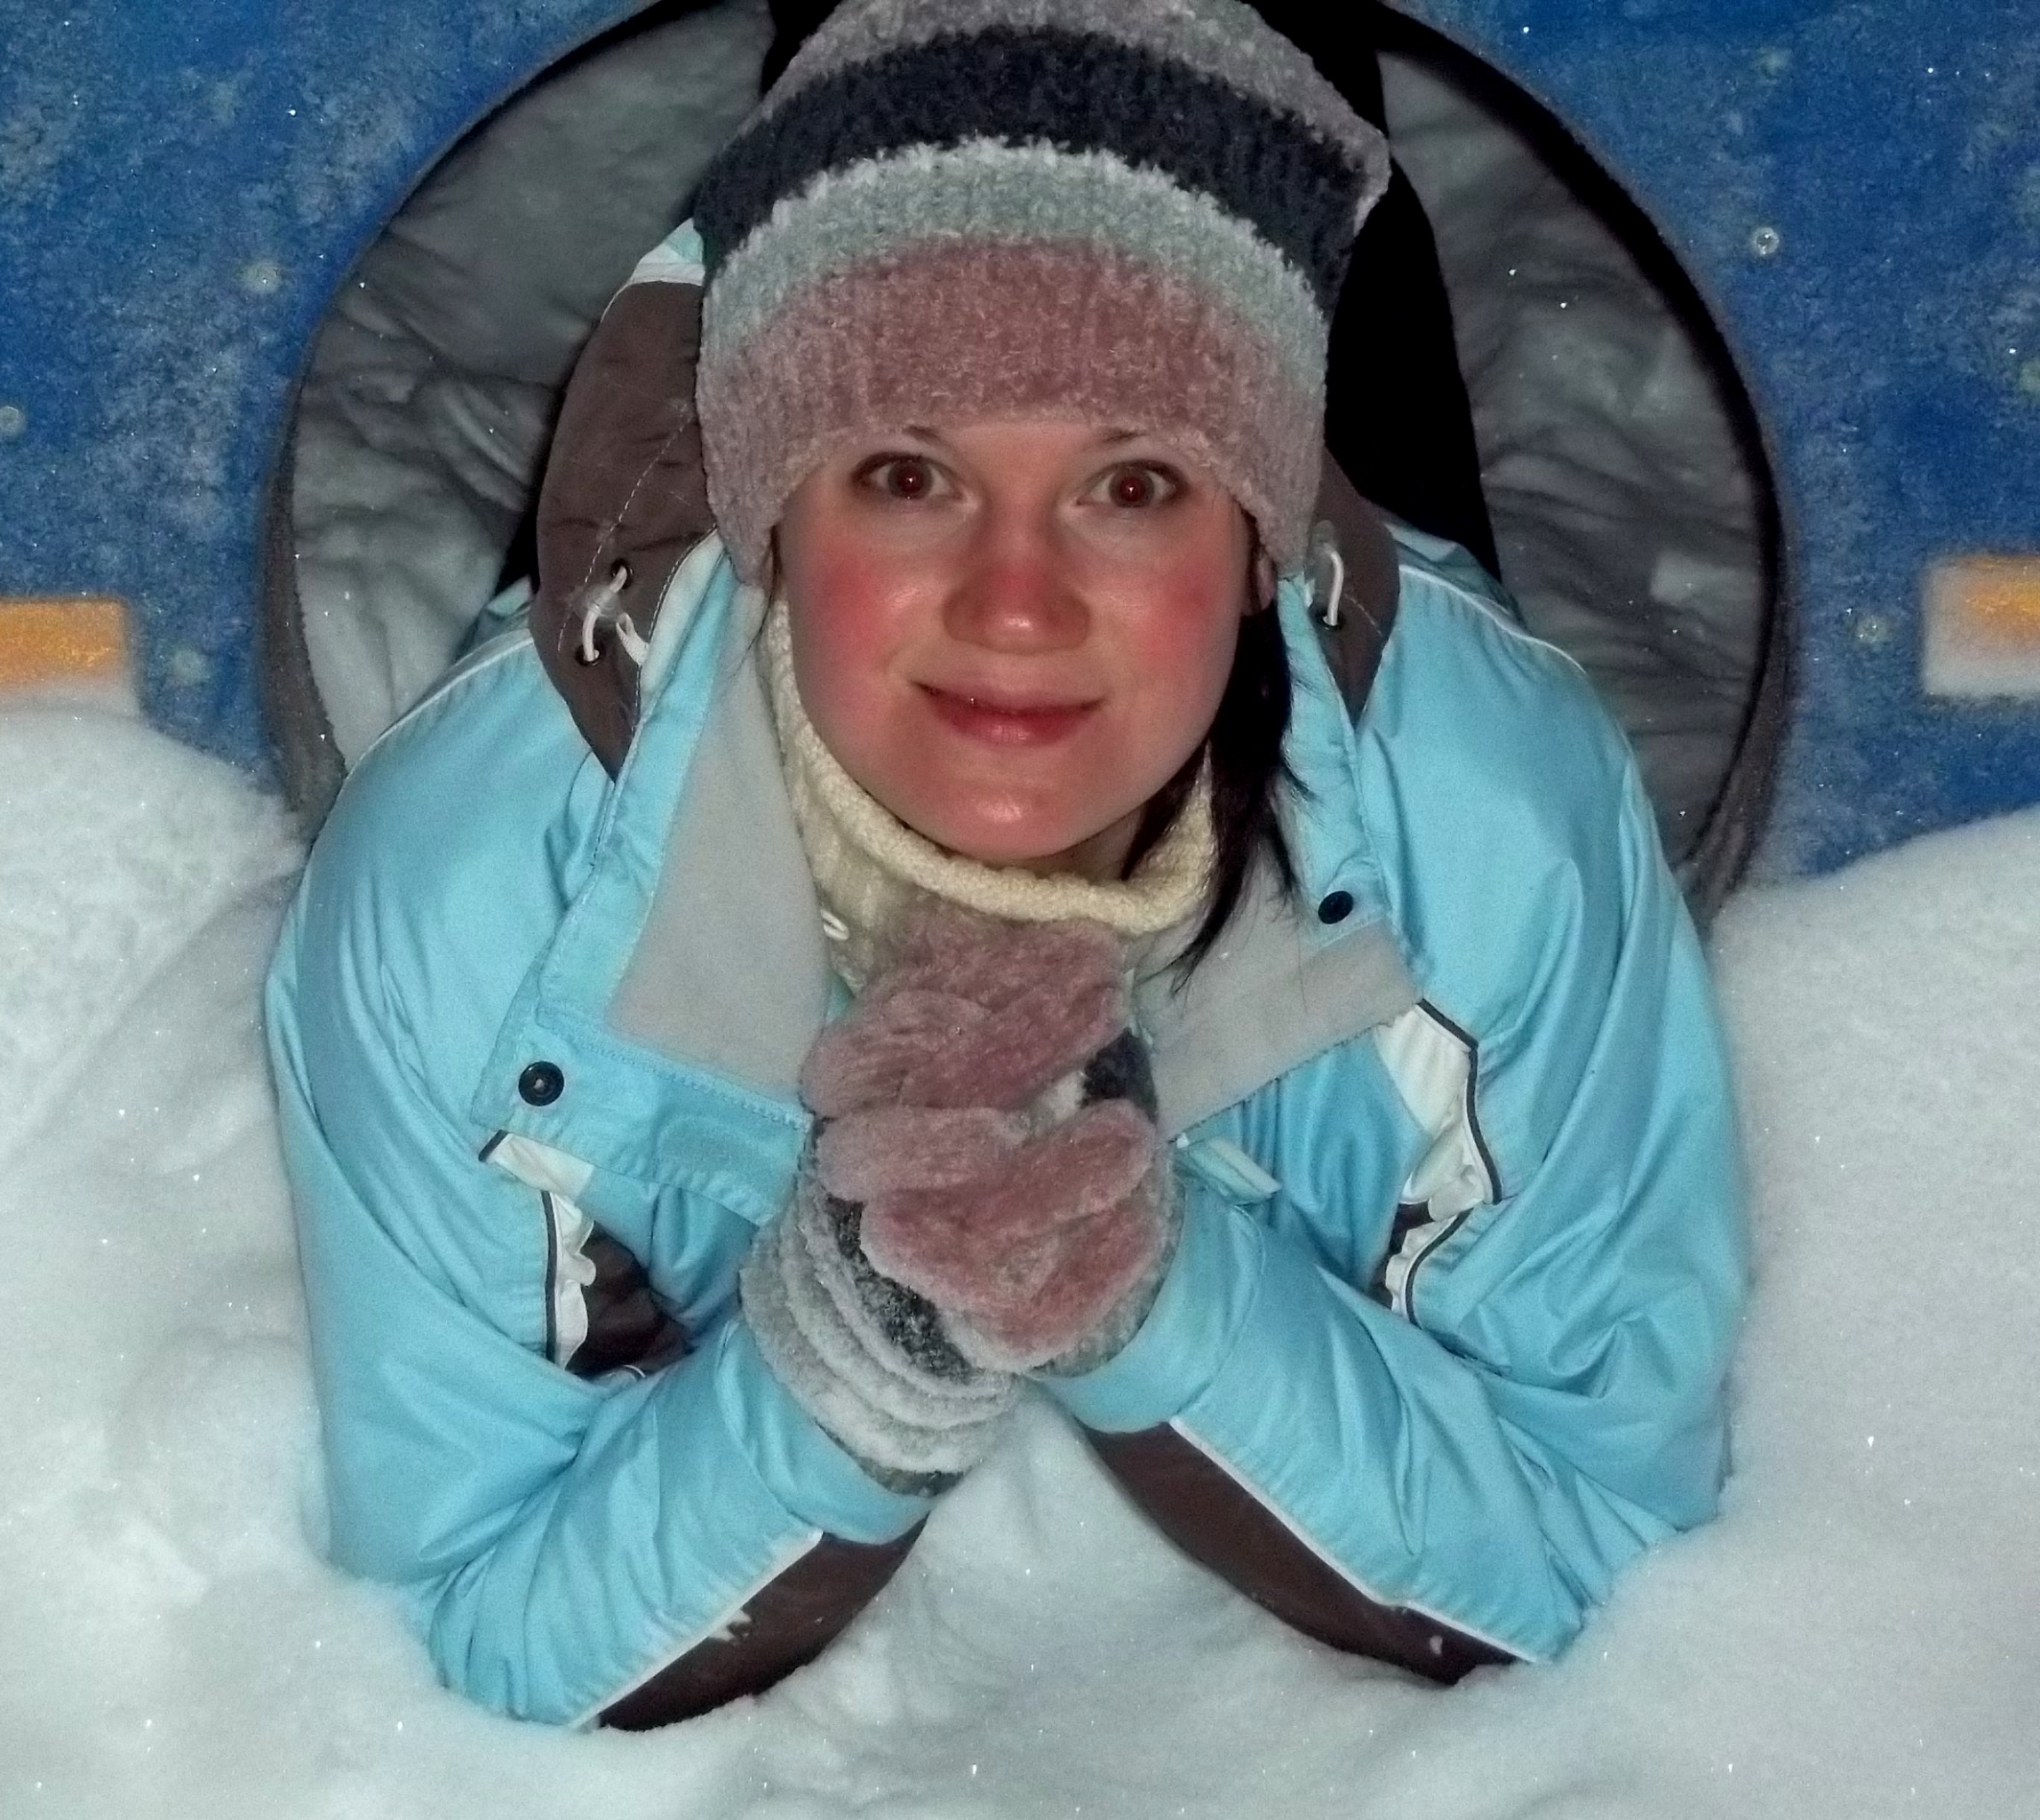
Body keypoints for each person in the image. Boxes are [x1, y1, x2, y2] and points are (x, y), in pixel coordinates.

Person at [266, 0, 1746, 1732]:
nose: (1016, 605)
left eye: (1131, 485)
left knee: (1275, 180)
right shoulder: (471, 890)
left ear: (1256, 539)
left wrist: (1152, 1285)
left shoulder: (1489, 818)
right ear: (774, 514)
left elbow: (1610, 1542)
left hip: (1292, 540)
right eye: (908, 475)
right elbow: (463, 1620)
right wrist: (854, 1347)